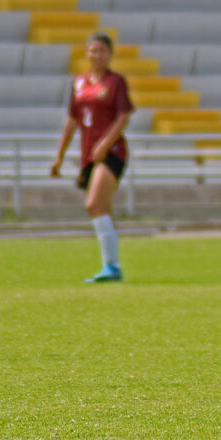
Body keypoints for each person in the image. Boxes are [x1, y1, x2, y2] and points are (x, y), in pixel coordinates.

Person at [50, 32, 135, 283]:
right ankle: (112, 266)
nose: (97, 55)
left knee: (93, 203)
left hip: (112, 152)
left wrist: (105, 143)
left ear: (110, 54)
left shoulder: (115, 82)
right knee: (102, 207)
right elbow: (72, 120)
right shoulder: (79, 83)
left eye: (102, 51)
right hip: (89, 154)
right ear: (86, 53)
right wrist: (59, 156)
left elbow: (123, 116)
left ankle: (111, 266)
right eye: (93, 50)